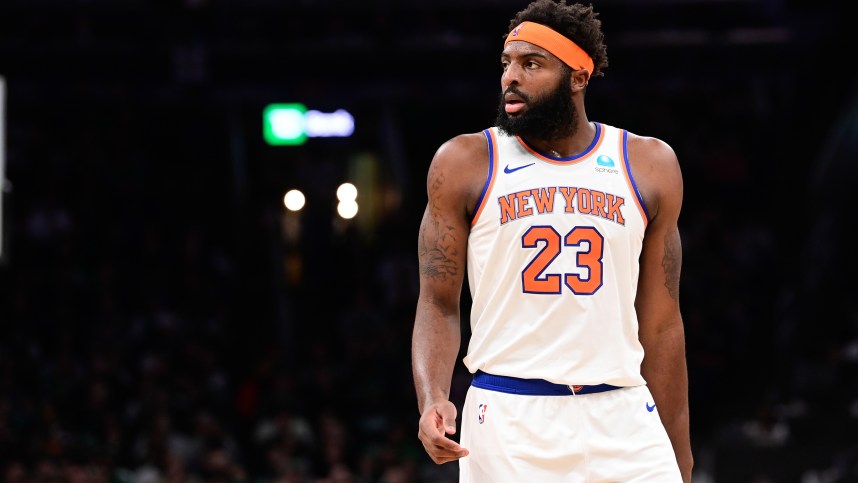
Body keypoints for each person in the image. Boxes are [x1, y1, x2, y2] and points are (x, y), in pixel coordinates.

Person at [411, 0, 693, 481]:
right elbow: (438, 304)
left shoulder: (649, 164)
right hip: (509, 415)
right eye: (507, 64)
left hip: (622, 413)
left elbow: (663, 325)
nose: (510, 78)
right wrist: (434, 396)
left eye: (531, 64)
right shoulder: (464, 161)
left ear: (579, 77)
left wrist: (679, 451)